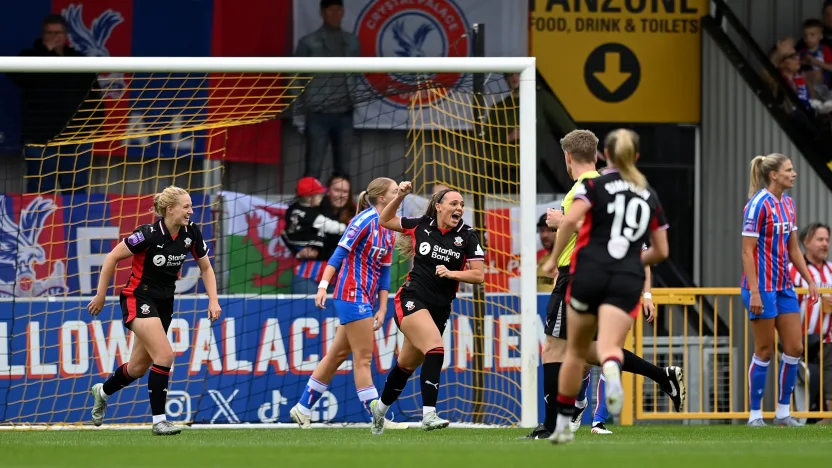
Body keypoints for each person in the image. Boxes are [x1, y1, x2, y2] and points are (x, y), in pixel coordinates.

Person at [525, 130, 684, 440]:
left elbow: (582, 225)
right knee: (590, 350)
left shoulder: (590, 187)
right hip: (621, 277)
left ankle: (553, 425)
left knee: (557, 350)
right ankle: (660, 376)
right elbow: (657, 249)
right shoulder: (643, 192)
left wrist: (558, 237)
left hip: (580, 274)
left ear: (568, 157)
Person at [86, 186, 221, 435]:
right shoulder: (147, 235)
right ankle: (159, 421)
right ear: (170, 209)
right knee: (165, 356)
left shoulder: (190, 232)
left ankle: (102, 392)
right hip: (138, 297)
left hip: (164, 302)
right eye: (186, 206)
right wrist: (101, 295)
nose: (191, 211)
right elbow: (111, 258)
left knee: (137, 368)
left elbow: (206, 267)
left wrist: (213, 300)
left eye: (191, 206)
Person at [287, 177, 407, 430]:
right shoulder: (363, 220)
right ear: (382, 198)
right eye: (395, 192)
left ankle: (302, 408)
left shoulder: (389, 226)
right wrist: (322, 286)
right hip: (350, 293)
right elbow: (338, 254)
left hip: (367, 296)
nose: (400, 196)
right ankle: (379, 418)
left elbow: (384, 271)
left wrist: (383, 307)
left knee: (337, 354)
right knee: (363, 358)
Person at [368, 182, 485, 434]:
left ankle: (379, 409)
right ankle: (429, 414)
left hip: (440, 308)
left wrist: (452, 273)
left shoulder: (468, 235)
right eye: (454, 203)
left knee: (406, 365)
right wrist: (400, 195)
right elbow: (384, 220)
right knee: (435, 348)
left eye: (462, 205)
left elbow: (478, 275)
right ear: (438, 206)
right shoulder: (421, 224)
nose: (459, 208)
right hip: (411, 298)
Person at [741, 154, 818, 427]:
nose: (794, 173)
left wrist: (809, 279)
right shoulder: (757, 205)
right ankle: (754, 415)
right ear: (773, 174)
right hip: (761, 288)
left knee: (795, 347)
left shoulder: (788, 204)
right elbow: (747, 253)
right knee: (764, 350)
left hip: (784, 286)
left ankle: (783, 412)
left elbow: (793, 247)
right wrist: (755, 291)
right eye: (789, 170)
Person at [8, 14, 100, 194]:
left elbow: (94, 94)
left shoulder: (78, 60)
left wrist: (94, 125)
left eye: (57, 32)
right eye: (49, 33)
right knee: (41, 191)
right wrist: (46, 52)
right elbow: (17, 78)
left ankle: (74, 223)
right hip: (40, 138)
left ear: (65, 34)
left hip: (75, 137)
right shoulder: (30, 57)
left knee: (76, 191)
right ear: (43, 34)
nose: (53, 36)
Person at [295, 0, 360, 179]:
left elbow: (357, 75)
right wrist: (298, 106)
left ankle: (342, 206)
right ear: (322, 12)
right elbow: (293, 75)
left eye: (339, 10)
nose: (335, 14)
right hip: (317, 113)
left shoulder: (352, 42)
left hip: (345, 113)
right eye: (331, 10)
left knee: (344, 169)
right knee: (313, 168)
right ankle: (308, 205)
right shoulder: (308, 43)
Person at [789, 222, 832, 424]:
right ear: (806, 242)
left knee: (827, 384)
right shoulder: (792, 270)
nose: (825, 244)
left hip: (827, 340)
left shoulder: (831, 270)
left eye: (827, 240)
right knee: (802, 385)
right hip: (800, 340)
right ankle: (797, 419)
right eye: (820, 239)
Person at [281, 177, 347, 294]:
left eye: (345, 191)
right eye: (336, 190)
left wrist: (318, 252)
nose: (341, 195)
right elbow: (285, 235)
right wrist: (298, 252)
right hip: (307, 277)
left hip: (334, 279)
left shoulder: (298, 209)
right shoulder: (311, 212)